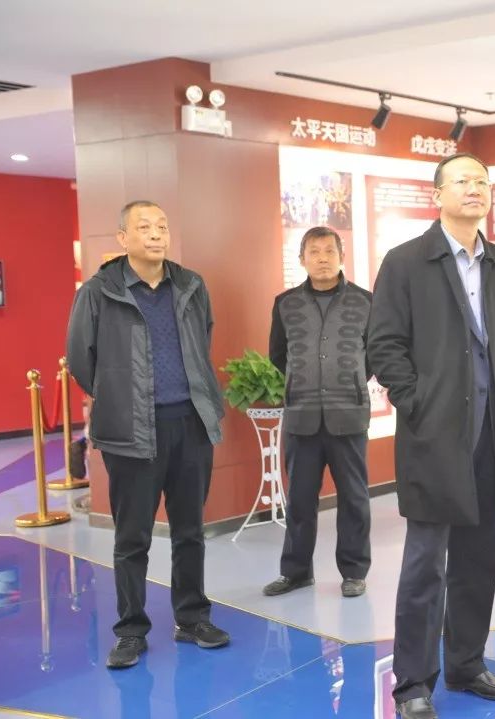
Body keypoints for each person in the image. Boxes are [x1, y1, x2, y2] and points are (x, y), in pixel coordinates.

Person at [367, 153, 495, 719]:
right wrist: (416, 402)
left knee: (479, 559)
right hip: (435, 436)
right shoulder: (407, 262)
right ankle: (413, 683)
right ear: (437, 194)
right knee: (425, 564)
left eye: (482, 181)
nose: (475, 188)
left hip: (494, 433)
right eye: (462, 180)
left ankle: (466, 664)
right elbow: (383, 343)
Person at [66, 200, 229, 669]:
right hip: (131, 430)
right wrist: (120, 397)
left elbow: (202, 341)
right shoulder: (98, 292)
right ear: (123, 238)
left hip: (190, 424)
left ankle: (192, 618)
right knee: (132, 537)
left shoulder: (191, 285)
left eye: (161, 225)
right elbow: (81, 359)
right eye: (144, 227)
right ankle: (131, 631)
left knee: (190, 531)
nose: (156, 234)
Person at [263, 226, 373, 599]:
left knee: (354, 498)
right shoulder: (285, 303)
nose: (322, 258)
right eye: (314, 251)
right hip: (302, 415)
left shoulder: (365, 301)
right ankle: (296, 572)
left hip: (348, 414)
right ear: (302, 259)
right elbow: (278, 354)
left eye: (329, 251)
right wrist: (304, 382)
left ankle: (354, 571)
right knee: (299, 500)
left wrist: (350, 380)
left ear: (342, 256)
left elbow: (373, 355)